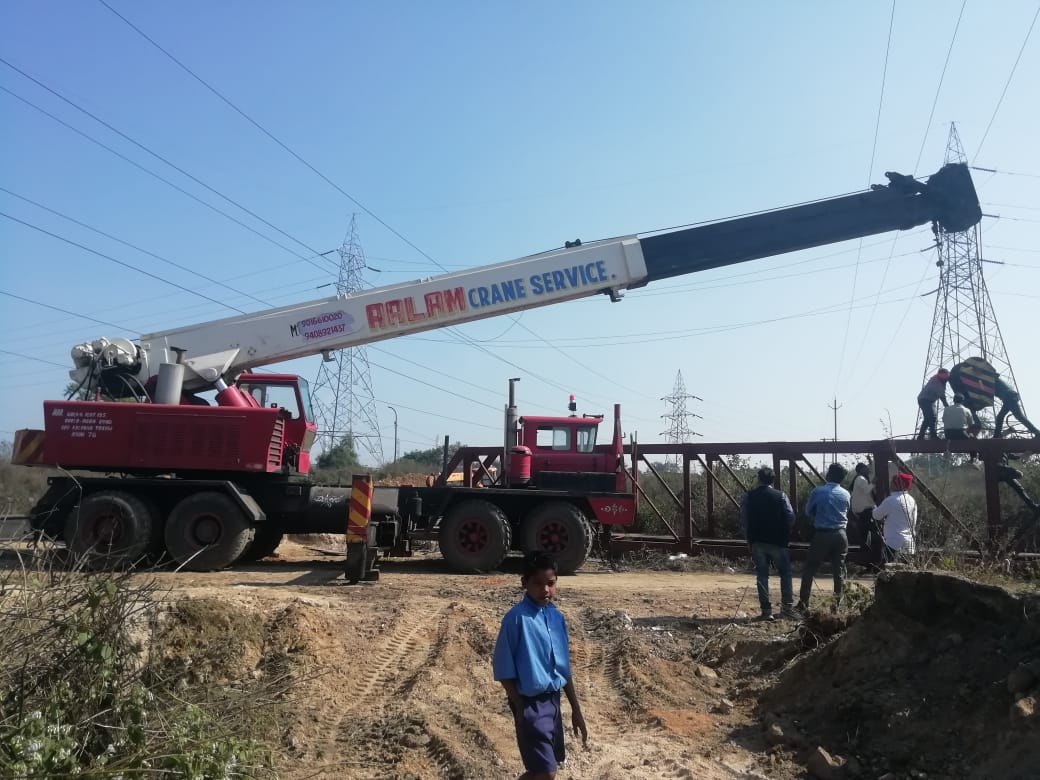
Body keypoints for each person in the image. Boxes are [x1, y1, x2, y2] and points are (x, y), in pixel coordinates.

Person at [493, 551, 588, 779]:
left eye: (550, 584)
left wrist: (576, 709)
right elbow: (502, 669)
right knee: (546, 772)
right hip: (530, 704)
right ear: (524, 583)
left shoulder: (556, 618)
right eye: (537, 583)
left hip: (553, 701)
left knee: (542, 770)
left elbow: (563, 669)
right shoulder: (516, 619)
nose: (545, 589)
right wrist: (520, 706)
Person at [739, 467, 796, 621]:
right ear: (773, 480)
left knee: (762, 575)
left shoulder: (749, 496)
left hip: (758, 541)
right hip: (778, 541)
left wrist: (749, 539)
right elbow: (790, 516)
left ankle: (766, 611)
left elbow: (744, 520)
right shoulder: (781, 496)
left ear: (759, 479)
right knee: (785, 573)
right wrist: (785, 532)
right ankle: (787, 609)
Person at [796, 462, 850, 612]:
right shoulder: (846, 494)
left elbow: (808, 511)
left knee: (810, 568)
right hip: (841, 535)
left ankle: (804, 604)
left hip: (822, 534)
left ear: (828, 475)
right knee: (838, 572)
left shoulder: (818, 491)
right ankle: (836, 607)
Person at [872, 473, 918, 564]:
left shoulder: (891, 500)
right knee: (907, 569)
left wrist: (873, 508)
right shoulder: (912, 500)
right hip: (909, 543)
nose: (890, 483)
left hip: (893, 543)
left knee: (887, 569)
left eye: (892, 482)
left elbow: (876, 516)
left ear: (897, 484)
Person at [917, 368, 951, 440]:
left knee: (929, 418)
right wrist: (947, 407)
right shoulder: (936, 382)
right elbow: (942, 396)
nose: (947, 380)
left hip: (929, 400)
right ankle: (932, 435)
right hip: (925, 400)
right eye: (946, 379)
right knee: (931, 417)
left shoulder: (939, 379)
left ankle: (921, 436)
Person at [848, 462, 876, 544]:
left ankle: (865, 546)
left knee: (865, 532)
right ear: (861, 470)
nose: (867, 469)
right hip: (864, 510)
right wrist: (874, 482)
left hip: (862, 509)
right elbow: (867, 490)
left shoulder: (860, 479)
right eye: (865, 468)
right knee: (871, 529)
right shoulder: (860, 478)